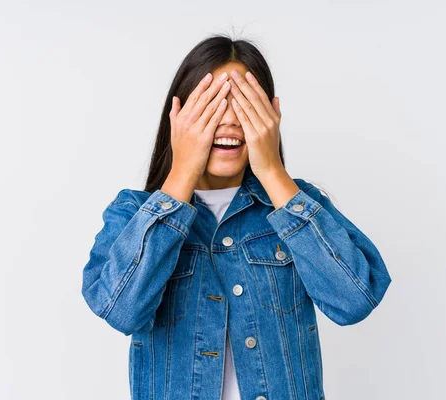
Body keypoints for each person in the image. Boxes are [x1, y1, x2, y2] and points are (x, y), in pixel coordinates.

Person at [81, 34, 392, 400]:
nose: (229, 118)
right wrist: (181, 173)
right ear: (179, 117)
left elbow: (355, 300)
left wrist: (273, 170)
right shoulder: (133, 213)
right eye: (212, 103)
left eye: (244, 103)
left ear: (269, 116)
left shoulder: (298, 204)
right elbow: (120, 310)